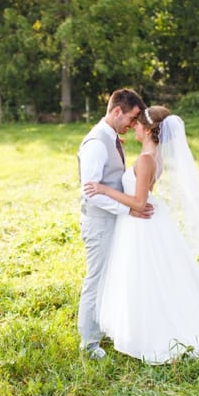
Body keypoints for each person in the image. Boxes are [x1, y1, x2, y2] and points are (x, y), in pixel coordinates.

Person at [84, 106, 199, 364]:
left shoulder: (147, 160)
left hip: (141, 223)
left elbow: (138, 202)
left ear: (148, 130)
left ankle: (151, 331)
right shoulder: (153, 156)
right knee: (152, 277)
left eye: (138, 123)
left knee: (145, 279)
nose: (134, 126)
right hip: (145, 222)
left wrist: (104, 189)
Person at [77, 88, 154, 360]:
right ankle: (88, 343)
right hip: (99, 223)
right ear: (117, 111)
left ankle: (105, 326)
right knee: (96, 279)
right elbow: (91, 192)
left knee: (110, 277)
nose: (134, 124)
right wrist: (128, 209)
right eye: (132, 117)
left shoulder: (112, 138)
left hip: (114, 220)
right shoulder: (97, 143)